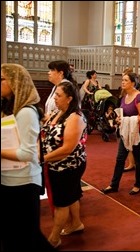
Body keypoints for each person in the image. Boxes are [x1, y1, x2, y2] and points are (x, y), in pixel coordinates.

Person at [1, 63, 55, 251]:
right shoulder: (9, 108)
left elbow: (27, 153)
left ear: (15, 82)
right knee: (13, 236)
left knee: (27, 238)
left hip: (23, 183)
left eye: (2, 79)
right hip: (8, 179)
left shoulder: (26, 112)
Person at [41, 81, 87, 248]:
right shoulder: (57, 112)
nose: (55, 98)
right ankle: (76, 223)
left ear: (69, 98)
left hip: (68, 166)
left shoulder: (75, 117)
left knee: (61, 202)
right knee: (71, 195)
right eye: (55, 94)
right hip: (56, 164)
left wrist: (43, 158)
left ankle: (54, 238)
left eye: (58, 95)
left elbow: (67, 149)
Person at [101, 72, 140, 195]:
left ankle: (138, 185)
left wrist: (126, 120)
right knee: (120, 158)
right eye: (122, 80)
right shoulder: (124, 97)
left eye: (126, 80)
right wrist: (118, 119)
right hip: (125, 132)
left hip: (136, 133)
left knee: (138, 160)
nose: (122, 82)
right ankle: (114, 185)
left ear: (133, 83)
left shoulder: (139, 97)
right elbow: (123, 114)